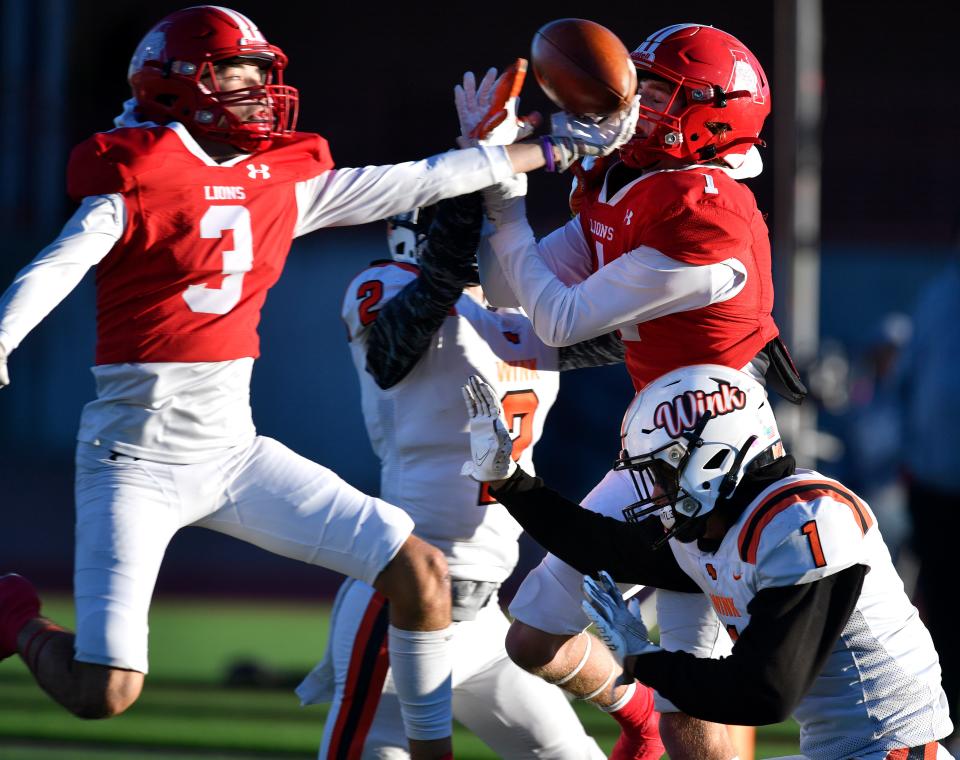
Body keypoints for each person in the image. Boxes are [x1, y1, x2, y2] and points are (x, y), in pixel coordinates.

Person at [0, 7, 638, 758]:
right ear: (177, 87)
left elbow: (427, 177)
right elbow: (60, 262)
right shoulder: (138, 174)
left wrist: (555, 145)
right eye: (235, 76)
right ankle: (13, 616)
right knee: (103, 692)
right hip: (132, 461)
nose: (259, 93)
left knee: (416, 567)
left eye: (261, 76)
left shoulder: (283, 182)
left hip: (234, 453)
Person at [458, 23, 805, 760]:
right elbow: (507, 286)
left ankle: (662, 714)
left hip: (715, 463)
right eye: (639, 84)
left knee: (695, 689)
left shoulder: (707, 209)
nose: (638, 104)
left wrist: (510, 201)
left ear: (714, 114)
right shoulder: (631, 182)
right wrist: (486, 164)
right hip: (654, 446)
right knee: (533, 636)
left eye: (659, 93)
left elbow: (556, 317)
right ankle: (639, 713)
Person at [462, 366, 954, 760]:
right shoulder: (725, 523)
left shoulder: (808, 521)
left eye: (660, 471)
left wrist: (641, 657)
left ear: (710, 458)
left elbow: (765, 692)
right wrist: (510, 482)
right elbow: (607, 548)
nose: (654, 490)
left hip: (891, 750)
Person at [297, 192, 623, 758]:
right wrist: (479, 183)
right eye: (489, 228)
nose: (508, 247)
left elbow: (639, 333)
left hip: (488, 617)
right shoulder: (388, 289)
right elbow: (400, 342)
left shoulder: (524, 320)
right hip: (404, 602)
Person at [896, 232, 960, 751]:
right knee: (939, 617)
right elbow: (908, 382)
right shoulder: (940, 292)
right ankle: (940, 735)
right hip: (937, 486)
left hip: (936, 479)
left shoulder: (938, 292)